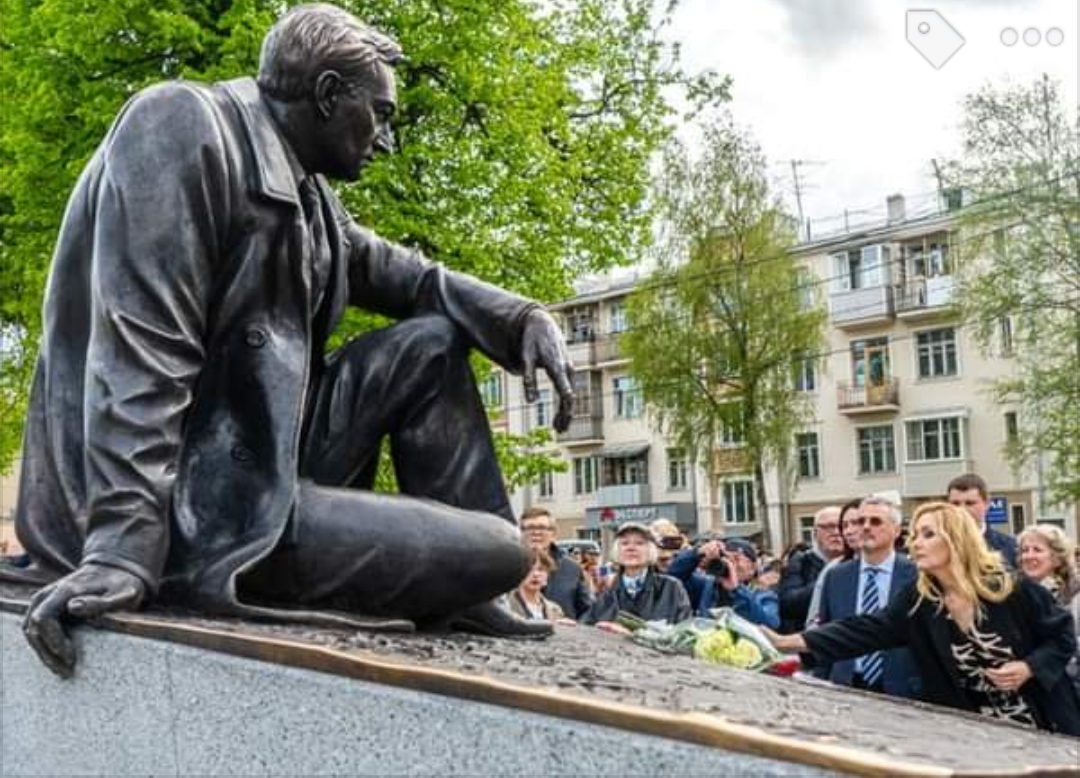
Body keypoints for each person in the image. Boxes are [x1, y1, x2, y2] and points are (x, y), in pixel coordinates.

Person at [4, 3, 580, 678]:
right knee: (505, 550)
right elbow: (139, 357)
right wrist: (123, 550)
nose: (386, 140)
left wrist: (519, 319)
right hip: (193, 513)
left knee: (429, 344)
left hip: (256, 471)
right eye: (381, 114)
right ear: (330, 94)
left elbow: (411, 277)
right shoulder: (179, 128)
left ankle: (474, 596)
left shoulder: (308, 196)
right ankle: (484, 572)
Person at [767, 502, 1080, 735]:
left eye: (928, 534)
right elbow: (864, 629)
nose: (915, 542)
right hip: (976, 734)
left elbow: (1062, 636)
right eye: (914, 534)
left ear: (956, 539)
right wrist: (785, 642)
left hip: (1042, 722)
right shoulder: (920, 601)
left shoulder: (1012, 588)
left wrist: (1028, 667)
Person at [813, 495, 922, 699]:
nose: (865, 527)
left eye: (875, 521)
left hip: (903, 690)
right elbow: (826, 633)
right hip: (846, 686)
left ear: (896, 530)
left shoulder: (917, 576)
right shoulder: (836, 576)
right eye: (859, 521)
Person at [581, 523, 692, 626]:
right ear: (617, 551)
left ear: (651, 550)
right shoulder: (607, 592)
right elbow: (586, 629)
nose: (631, 548)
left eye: (639, 543)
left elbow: (683, 634)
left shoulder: (671, 588)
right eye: (624, 543)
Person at [1019, 524, 1080, 697]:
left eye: (1037, 550)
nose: (1028, 556)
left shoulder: (1075, 594)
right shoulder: (1015, 594)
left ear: (1057, 558)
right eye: (1025, 550)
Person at [667, 537, 779, 628]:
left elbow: (770, 623)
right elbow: (673, 578)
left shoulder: (765, 596)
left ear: (753, 567)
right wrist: (697, 553)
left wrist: (737, 590)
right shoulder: (706, 587)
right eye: (725, 558)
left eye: (736, 558)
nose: (731, 564)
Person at [778, 506, 844, 633]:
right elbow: (788, 604)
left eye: (841, 526)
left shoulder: (860, 561)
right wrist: (830, 577)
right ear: (815, 533)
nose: (836, 532)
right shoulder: (801, 562)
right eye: (828, 527)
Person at [519, 507, 592, 619]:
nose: (536, 532)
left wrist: (575, 628)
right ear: (520, 532)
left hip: (563, 635)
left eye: (542, 527)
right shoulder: (507, 566)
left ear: (553, 534)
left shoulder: (572, 569)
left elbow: (587, 612)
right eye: (530, 527)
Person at [805, 498, 863, 628]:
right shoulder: (833, 571)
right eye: (845, 525)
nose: (847, 531)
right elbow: (814, 621)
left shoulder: (907, 569)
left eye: (856, 523)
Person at [947, 473, 1018, 568]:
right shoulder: (937, 546)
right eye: (955, 504)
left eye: (970, 503)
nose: (962, 510)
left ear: (987, 504)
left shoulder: (1010, 547)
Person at [507, 548, 569, 623]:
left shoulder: (555, 609)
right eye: (530, 569)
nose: (536, 574)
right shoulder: (506, 604)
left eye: (541, 569)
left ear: (547, 576)